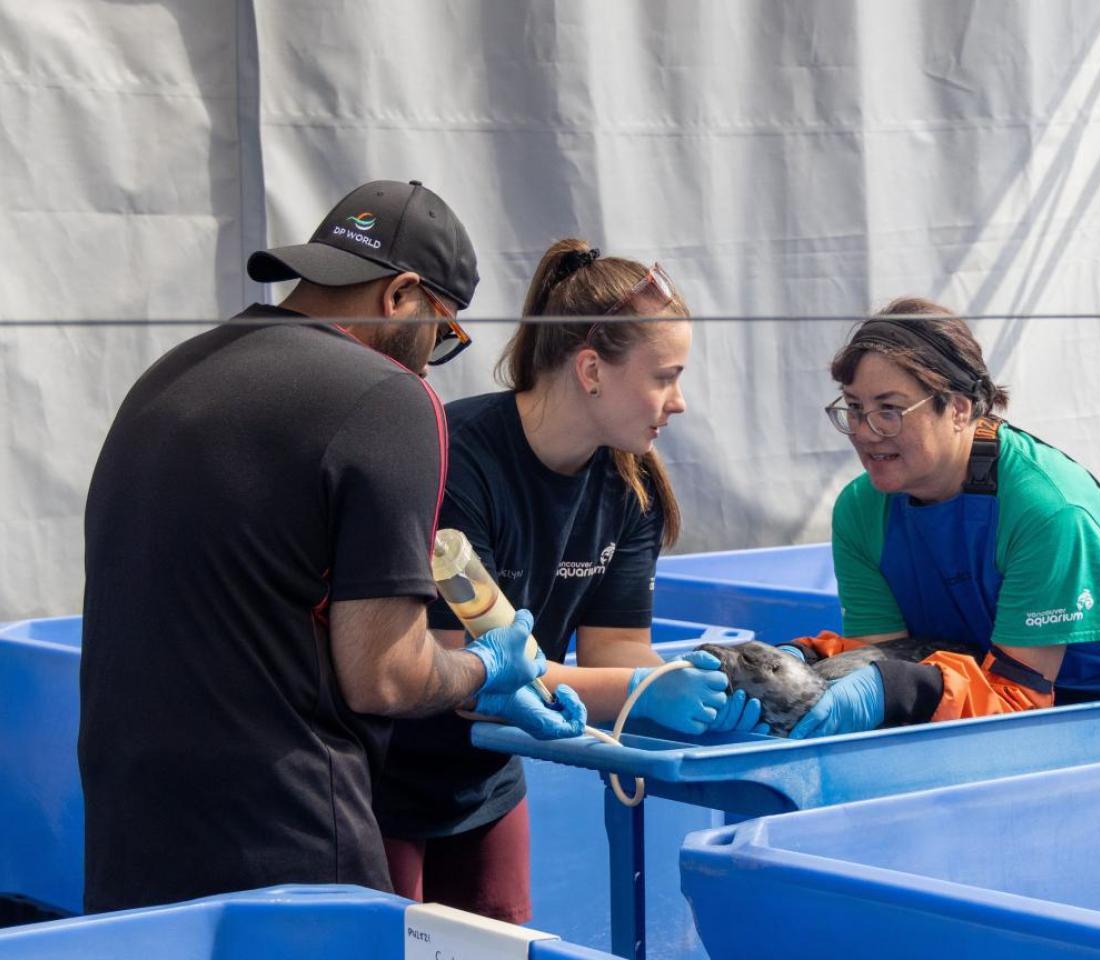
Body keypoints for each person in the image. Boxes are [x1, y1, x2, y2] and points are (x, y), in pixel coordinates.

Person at [78, 180, 584, 915]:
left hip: (130, 836)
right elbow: (384, 675)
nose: (432, 361)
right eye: (444, 334)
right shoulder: (387, 399)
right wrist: (483, 671)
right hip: (284, 840)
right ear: (402, 295)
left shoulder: (167, 377)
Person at [373, 239, 763, 922]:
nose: (679, 403)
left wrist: (703, 692)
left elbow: (615, 655)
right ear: (591, 369)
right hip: (382, 776)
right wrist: (644, 690)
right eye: (665, 376)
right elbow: (452, 673)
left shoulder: (630, 487)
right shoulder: (456, 459)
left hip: (486, 780)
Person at [783, 297, 1100, 740]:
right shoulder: (860, 512)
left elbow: (1018, 703)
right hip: (1074, 684)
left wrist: (892, 691)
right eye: (854, 408)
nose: (864, 432)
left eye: (889, 410)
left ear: (959, 408)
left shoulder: (1047, 512)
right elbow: (882, 658)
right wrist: (790, 667)